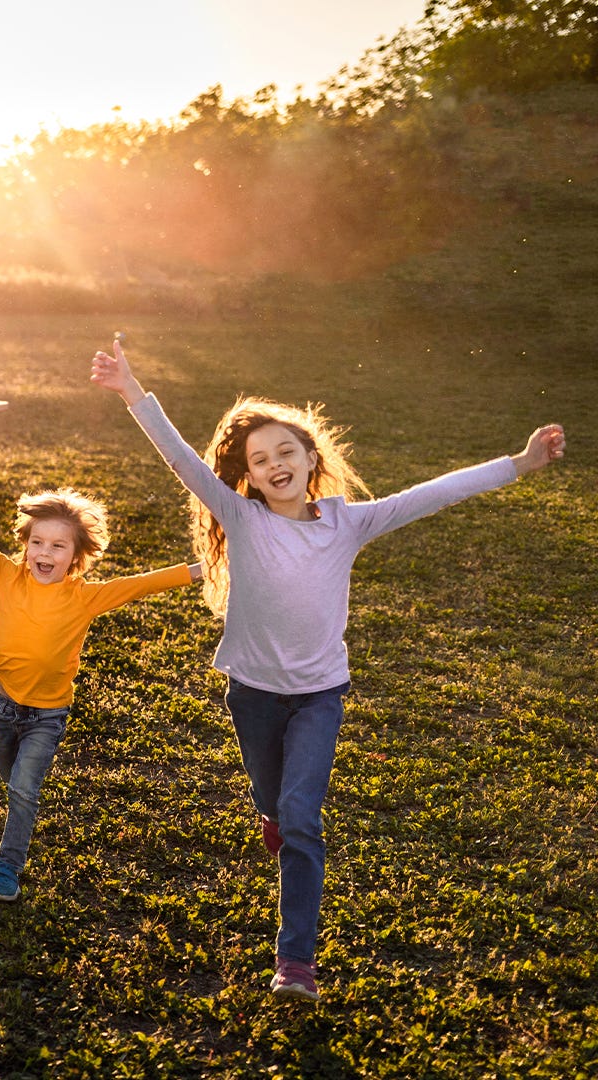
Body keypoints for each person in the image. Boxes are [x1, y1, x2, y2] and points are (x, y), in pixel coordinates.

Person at [90, 337, 566, 1003]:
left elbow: (433, 493)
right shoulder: (242, 517)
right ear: (248, 478)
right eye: (260, 460)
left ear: (312, 459)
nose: (275, 463)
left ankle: (296, 963)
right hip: (252, 695)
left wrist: (519, 463)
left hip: (318, 697)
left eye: (287, 451)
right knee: (272, 801)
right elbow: (179, 459)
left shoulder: (348, 523)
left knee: (302, 817)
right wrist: (131, 389)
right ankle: (273, 814)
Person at [0, 457, 200, 905]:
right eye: (38, 543)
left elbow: (143, 584)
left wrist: (204, 569)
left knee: (24, 788)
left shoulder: (85, 597)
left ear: (76, 558)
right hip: (5, 707)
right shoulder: (3, 576)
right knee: (11, 778)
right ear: (25, 546)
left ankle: (7, 869)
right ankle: (18, 811)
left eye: (58, 547)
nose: (45, 553)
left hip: (48, 714)